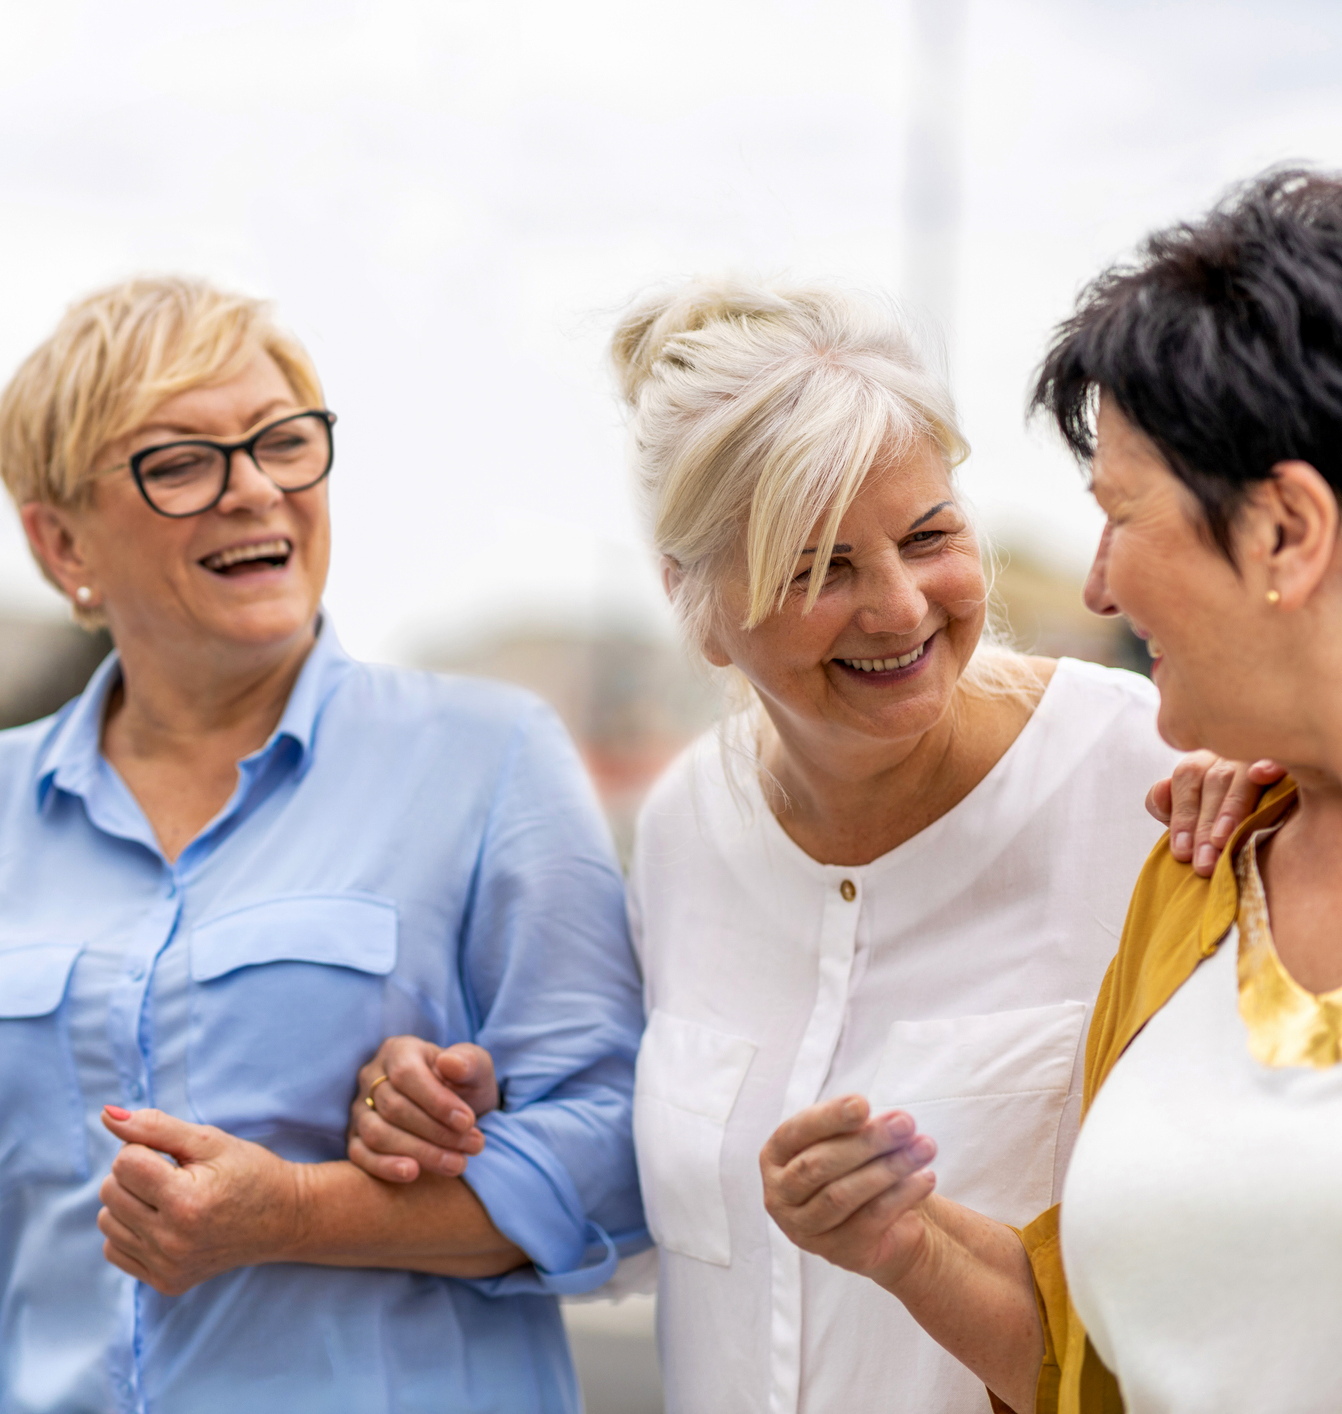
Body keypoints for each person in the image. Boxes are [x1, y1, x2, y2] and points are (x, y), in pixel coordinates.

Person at [348, 277, 1271, 1414]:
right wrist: (459, 1107)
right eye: (818, 566)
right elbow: (645, 1196)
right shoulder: (685, 827)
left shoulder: (1160, 786)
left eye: (929, 535)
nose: (897, 607)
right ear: (694, 600)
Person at [0, 276, 646, 1414]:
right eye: (181, 463)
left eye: (282, 442)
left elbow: (627, 1161)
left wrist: (298, 1210)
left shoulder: (488, 760)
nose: (256, 489)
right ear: (59, 538)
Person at [763, 169, 1342, 1414]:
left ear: (1285, 533)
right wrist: (905, 1240)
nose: (1097, 586)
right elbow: (1097, 1361)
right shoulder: (1200, 877)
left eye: (1121, 513)